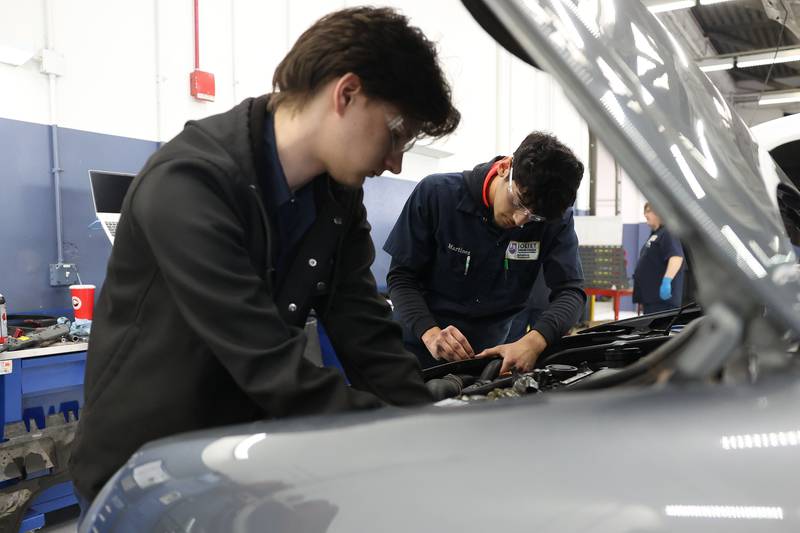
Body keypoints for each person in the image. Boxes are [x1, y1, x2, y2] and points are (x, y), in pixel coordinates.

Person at [69, 6, 460, 504]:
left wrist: (428, 423)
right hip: (143, 472)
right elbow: (264, 358)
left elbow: (362, 325)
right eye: (396, 134)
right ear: (347, 94)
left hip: (235, 459)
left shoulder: (335, 197)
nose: (395, 161)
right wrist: (392, 434)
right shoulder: (190, 182)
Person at [383, 132, 586, 375]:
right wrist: (431, 334)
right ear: (504, 168)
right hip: (416, 350)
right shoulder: (436, 194)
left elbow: (571, 291)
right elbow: (401, 277)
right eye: (518, 202)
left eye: (534, 217)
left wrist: (533, 342)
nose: (521, 220)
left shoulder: (553, 218)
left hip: (488, 360)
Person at [633, 202, 684, 314]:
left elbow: (676, 257)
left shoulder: (668, 232)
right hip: (652, 300)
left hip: (663, 301)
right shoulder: (656, 234)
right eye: (645, 211)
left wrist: (667, 281)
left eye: (649, 211)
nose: (645, 214)